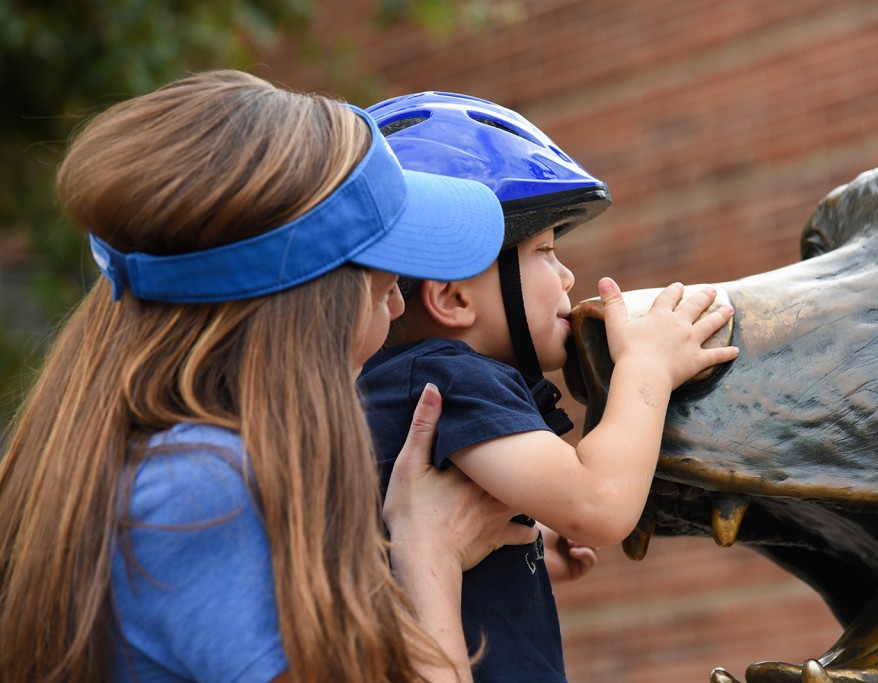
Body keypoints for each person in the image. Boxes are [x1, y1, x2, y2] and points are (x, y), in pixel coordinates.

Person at [0, 70, 540, 683]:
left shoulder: (164, 474)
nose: (395, 313)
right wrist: (426, 554)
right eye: (384, 288)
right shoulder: (203, 492)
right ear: (306, 313)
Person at [358, 92, 740, 681]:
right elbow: (598, 504)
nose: (566, 276)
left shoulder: (397, 383)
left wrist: (525, 541)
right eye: (545, 250)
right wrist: (647, 368)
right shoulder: (449, 377)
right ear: (453, 298)